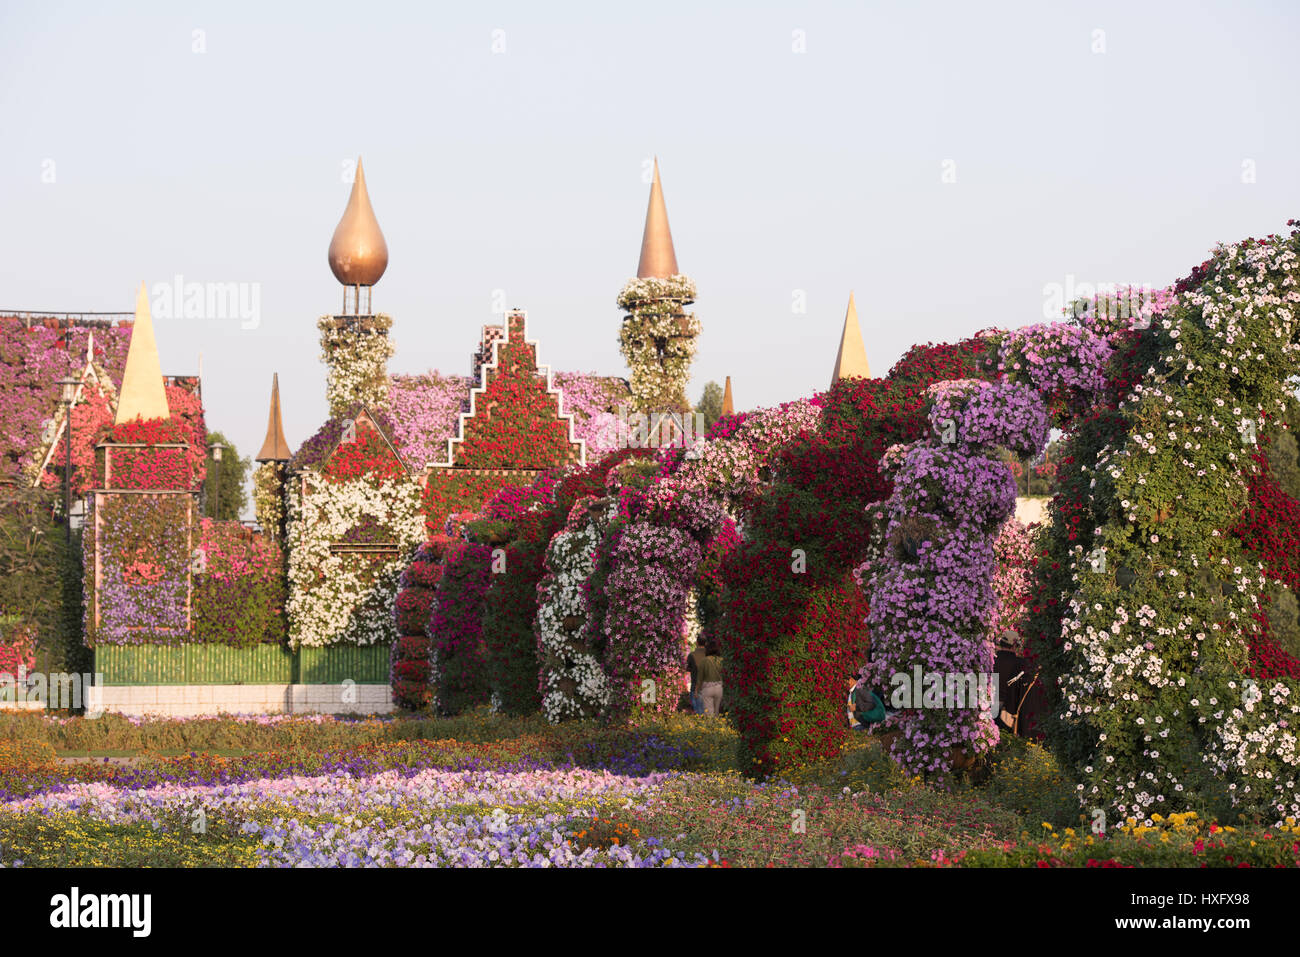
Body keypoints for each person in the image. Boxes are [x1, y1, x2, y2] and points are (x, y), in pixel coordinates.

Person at [698, 640, 724, 715]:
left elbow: (700, 678)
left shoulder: (704, 661)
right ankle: (717, 726)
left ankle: (710, 726)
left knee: (709, 713)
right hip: (719, 688)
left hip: (707, 688)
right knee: (716, 712)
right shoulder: (721, 660)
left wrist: (697, 690)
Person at [686, 638, 708, 714]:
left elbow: (687, 668)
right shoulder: (709, 655)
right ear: (705, 643)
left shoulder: (692, 655)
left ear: (697, 643)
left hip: (695, 685)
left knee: (699, 712)